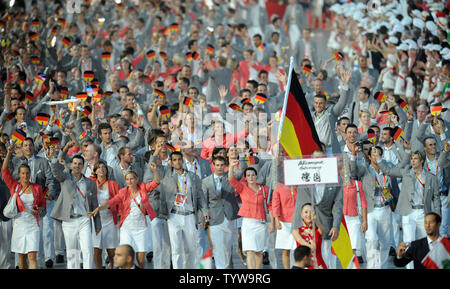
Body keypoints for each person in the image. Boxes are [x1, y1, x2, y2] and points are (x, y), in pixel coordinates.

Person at [90, 162, 160, 269]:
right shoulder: (123, 192)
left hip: (141, 228)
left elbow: (156, 182)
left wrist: (155, 171)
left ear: (136, 179)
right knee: (125, 256)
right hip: (126, 227)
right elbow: (112, 202)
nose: (130, 181)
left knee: (141, 260)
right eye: (127, 179)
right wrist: (99, 208)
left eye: (132, 178)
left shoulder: (143, 187)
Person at [156, 151, 209, 269]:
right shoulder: (166, 176)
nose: (177, 162)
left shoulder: (193, 176)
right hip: (174, 216)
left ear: (183, 160)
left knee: (191, 248)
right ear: (170, 162)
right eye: (174, 160)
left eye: (179, 159)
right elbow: (154, 165)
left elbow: (200, 196)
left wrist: (205, 212)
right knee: (176, 249)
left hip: (190, 215)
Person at [49, 151, 101, 269]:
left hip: (84, 220)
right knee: (73, 252)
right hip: (69, 221)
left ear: (83, 166)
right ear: (71, 165)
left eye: (80, 164)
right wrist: (53, 158)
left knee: (87, 249)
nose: (77, 166)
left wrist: (97, 223)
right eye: (75, 163)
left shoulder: (90, 183)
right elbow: (56, 172)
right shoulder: (65, 178)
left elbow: (94, 204)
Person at [291, 149, 343, 269]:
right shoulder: (303, 178)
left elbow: (338, 204)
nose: (318, 161)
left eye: (321, 159)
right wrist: (295, 228)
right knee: (305, 263)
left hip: (325, 228)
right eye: (315, 159)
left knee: (326, 261)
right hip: (305, 229)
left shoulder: (335, 178)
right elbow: (300, 203)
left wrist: (336, 225)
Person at [1, 144, 46, 269]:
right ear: (19, 175)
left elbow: (43, 205)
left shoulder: (37, 188)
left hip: (33, 224)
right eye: (23, 173)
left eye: (27, 173)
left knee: (32, 256)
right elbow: (4, 171)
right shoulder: (14, 186)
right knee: (21, 257)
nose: (25, 176)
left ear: (30, 174)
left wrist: (39, 209)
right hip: (19, 224)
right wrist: (9, 153)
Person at [228, 159, 270, 269]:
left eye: (253, 175)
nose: (251, 177)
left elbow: (270, 205)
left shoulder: (265, 189)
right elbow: (231, 180)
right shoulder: (243, 187)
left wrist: (274, 222)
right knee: (250, 250)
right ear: (245, 178)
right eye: (248, 175)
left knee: (259, 251)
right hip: (248, 223)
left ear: (256, 176)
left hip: (261, 223)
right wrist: (231, 167)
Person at [202, 156, 239, 269]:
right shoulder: (206, 181)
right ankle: (220, 268)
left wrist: (240, 158)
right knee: (217, 247)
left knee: (227, 246)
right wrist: (204, 215)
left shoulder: (230, 177)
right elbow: (203, 200)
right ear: (213, 165)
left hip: (229, 216)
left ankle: (226, 266)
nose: (219, 167)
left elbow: (241, 171)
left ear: (225, 166)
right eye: (217, 165)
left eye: (222, 165)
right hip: (214, 218)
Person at [90, 161, 121, 269]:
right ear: (95, 171)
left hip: (110, 219)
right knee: (97, 249)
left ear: (107, 170)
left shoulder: (114, 184)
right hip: (95, 220)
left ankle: (112, 267)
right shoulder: (90, 183)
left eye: (104, 167)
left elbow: (118, 201)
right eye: (99, 167)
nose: (102, 169)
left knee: (112, 250)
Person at [292, 203, 327, 269]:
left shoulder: (318, 230)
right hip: (305, 264)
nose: (308, 215)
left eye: (311, 212)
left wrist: (316, 221)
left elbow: (323, 230)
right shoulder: (296, 231)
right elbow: (300, 240)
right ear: (301, 215)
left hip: (319, 265)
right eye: (306, 212)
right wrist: (309, 246)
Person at [272, 182, 298, 269]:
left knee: (298, 249)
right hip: (283, 222)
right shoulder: (279, 186)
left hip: (298, 221)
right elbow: (275, 204)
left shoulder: (299, 185)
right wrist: (276, 220)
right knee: (285, 250)